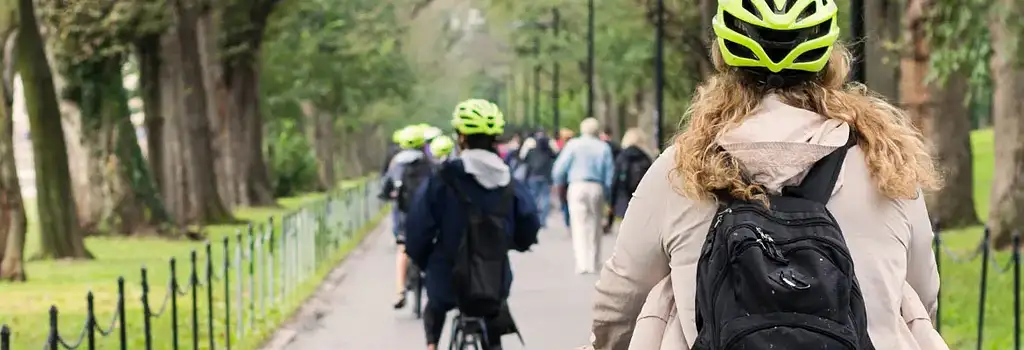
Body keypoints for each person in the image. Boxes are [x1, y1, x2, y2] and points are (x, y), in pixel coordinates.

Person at [588, 0, 943, 349]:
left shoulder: (681, 169)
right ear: (832, 61)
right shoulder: (884, 166)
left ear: (723, 60)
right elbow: (922, 298)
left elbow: (620, 302)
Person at [405, 99, 541, 350]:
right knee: (493, 314)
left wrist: (421, 258)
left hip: (446, 277)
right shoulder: (508, 179)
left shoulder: (443, 178)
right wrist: (517, 243)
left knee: (435, 308)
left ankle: (432, 345)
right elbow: (529, 223)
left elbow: (417, 227)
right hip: (493, 278)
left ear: (461, 137)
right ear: (494, 138)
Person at [551, 118, 614, 274]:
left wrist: (559, 183)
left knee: (579, 224)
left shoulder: (573, 145)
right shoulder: (603, 147)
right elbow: (609, 172)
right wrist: (607, 192)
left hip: (577, 185)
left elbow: (559, 168)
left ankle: (582, 263)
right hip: (596, 186)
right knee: (595, 224)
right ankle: (594, 261)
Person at [381, 125, 433, 310]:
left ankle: (400, 291)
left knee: (403, 249)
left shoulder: (396, 164)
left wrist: (387, 196)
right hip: (426, 216)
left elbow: (384, 188)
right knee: (433, 246)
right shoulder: (429, 164)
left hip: (404, 216)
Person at [607, 128, 654, 227]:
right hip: (643, 201)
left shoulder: (622, 157)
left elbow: (615, 181)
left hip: (624, 200)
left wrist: (611, 203)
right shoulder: (646, 158)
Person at [519, 130, 559, 227]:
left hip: (533, 175)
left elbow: (522, 158)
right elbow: (556, 154)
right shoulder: (549, 151)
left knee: (533, 197)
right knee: (545, 197)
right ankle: (542, 220)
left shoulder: (531, 149)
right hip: (545, 176)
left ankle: (534, 218)